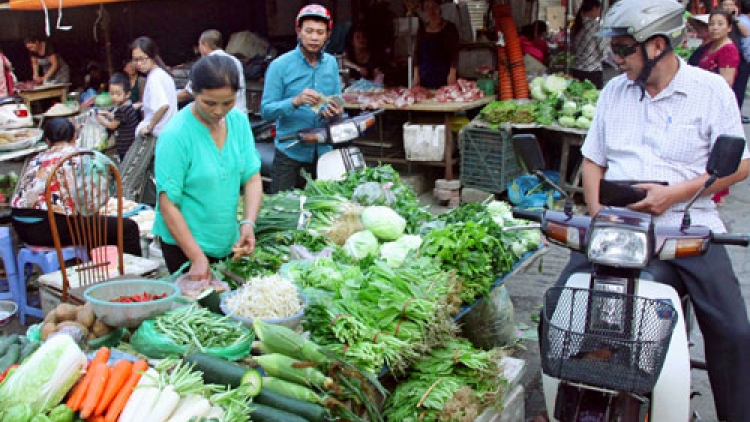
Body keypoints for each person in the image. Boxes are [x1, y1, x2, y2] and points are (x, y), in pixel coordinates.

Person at [554, 1, 750, 421]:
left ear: (657, 45)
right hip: (618, 228)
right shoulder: (613, 92)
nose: (616, 59)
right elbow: (592, 160)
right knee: (562, 309)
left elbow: (742, 164)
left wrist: (674, 194)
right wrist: (596, 216)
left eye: (624, 49)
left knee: (733, 331)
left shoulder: (710, 90)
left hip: (688, 226)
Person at [152, 54, 262, 277]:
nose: (219, 111)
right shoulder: (176, 135)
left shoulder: (238, 123)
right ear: (193, 91)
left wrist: (248, 223)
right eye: (209, 103)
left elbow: (252, 178)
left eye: (228, 103)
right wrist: (197, 258)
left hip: (226, 242)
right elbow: (168, 205)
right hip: (185, 247)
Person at [10, 118, 142, 256]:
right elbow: (91, 200)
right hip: (52, 229)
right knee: (127, 227)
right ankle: (129, 273)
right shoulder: (81, 156)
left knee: (93, 225)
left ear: (47, 140)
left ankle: (92, 263)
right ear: (74, 137)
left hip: (21, 226)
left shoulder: (36, 159)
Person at [260, 4, 343, 194]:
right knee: (283, 211)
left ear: (327, 35)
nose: (314, 37)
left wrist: (336, 111)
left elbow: (338, 101)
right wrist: (295, 101)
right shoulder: (279, 66)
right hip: (290, 150)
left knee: (323, 211)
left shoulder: (330, 63)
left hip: (323, 151)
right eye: (309, 31)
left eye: (320, 32)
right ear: (299, 31)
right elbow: (266, 110)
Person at [177, 29, 247, 113]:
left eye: (199, 44)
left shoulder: (207, 63)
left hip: (221, 117)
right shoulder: (235, 60)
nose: (199, 49)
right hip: (239, 112)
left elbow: (187, 93)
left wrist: (171, 99)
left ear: (205, 44)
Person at [130, 36, 177, 139]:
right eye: (135, 60)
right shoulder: (161, 74)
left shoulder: (154, 78)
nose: (139, 64)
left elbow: (163, 105)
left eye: (142, 59)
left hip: (160, 136)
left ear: (152, 57)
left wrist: (149, 127)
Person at [412, 0, 460, 89]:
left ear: (439, 8)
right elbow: (417, 54)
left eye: (434, 7)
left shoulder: (450, 28)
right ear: (424, 12)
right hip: (425, 77)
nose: (431, 11)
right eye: (427, 8)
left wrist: (452, 74)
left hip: (445, 76)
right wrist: (416, 75)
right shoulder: (422, 30)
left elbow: (455, 53)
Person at [95, 73, 141, 161]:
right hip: (131, 143)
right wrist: (107, 114)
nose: (114, 97)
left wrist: (102, 121)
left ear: (127, 94)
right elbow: (119, 120)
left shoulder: (122, 110)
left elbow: (113, 125)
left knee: (125, 163)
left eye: (118, 94)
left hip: (125, 145)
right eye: (112, 94)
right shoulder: (128, 105)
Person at [570, 0, 608, 88]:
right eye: (599, 9)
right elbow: (603, 50)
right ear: (594, 8)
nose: (599, 12)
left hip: (577, 70)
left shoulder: (576, 26)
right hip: (592, 71)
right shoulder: (596, 27)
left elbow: (572, 49)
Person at [698, 9, 740, 86]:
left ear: (729, 28)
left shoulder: (728, 50)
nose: (715, 28)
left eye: (720, 24)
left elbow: (726, 84)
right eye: (711, 24)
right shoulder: (712, 44)